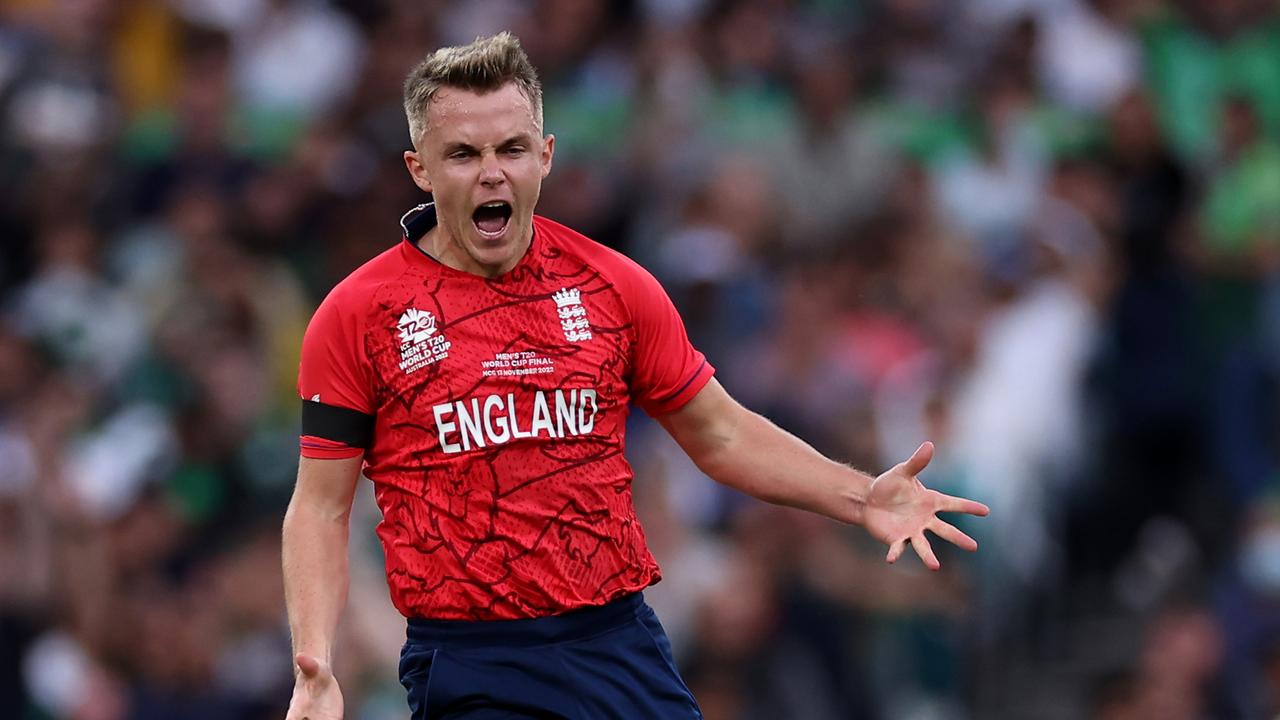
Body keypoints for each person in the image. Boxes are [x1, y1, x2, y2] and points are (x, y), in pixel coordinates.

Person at [282, 32, 990, 720]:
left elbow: (719, 434)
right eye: (463, 154)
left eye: (512, 149)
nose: (491, 172)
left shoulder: (614, 287)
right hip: (472, 658)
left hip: (617, 643)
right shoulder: (358, 316)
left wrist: (860, 494)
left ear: (546, 156)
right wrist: (315, 666)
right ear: (420, 168)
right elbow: (320, 507)